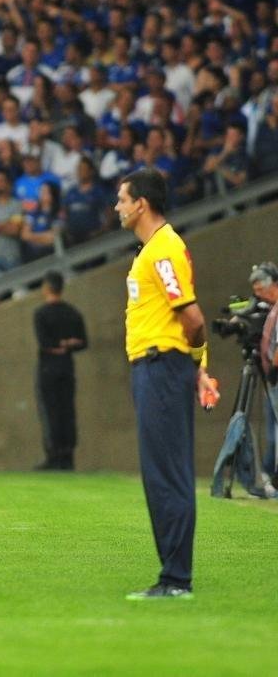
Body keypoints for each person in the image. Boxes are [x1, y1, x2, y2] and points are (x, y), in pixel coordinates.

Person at [115, 168, 219, 600]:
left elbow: (193, 319)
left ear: (141, 203)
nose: (117, 206)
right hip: (154, 368)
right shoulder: (150, 251)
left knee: (168, 475)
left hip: (163, 367)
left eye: (122, 199)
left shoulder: (162, 251)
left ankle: (177, 579)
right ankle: (172, 575)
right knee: (159, 474)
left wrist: (194, 366)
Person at [33, 270, 88, 470]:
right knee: (68, 410)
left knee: (50, 411)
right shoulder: (73, 313)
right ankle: (68, 456)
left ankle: (53, 456)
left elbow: (45, 343)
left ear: (46, 288)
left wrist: (59, 344)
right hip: (67, 367)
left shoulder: (41, 314)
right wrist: (69, 343)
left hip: (48, 368)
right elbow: (83, 342)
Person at [251, 262, 278, 479]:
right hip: (272, 376)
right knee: (272, 429)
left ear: (272, 285)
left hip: (276, 376)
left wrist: (274, 368)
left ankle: (273, 476)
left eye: (260, 290)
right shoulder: (272, 309)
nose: (258, 296)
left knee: (275, 431)